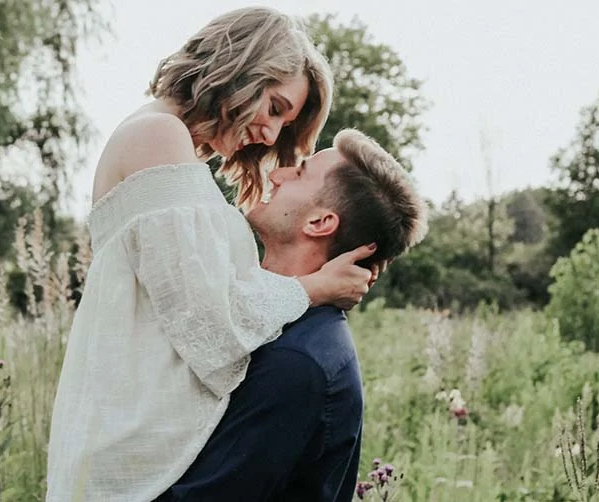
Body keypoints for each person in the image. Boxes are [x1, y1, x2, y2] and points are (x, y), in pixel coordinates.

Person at [46, 8, 387, 501]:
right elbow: (210, 332)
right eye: (274, 107)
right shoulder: (157, 137)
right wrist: (314, 288)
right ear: (241, 67)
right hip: (139, 452)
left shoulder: (169, 141)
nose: (271, 137)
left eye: (282, 122)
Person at [157, 128, 428, 501]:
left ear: (319, 223)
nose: (276, 173)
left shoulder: (297, 362)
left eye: (299, 172)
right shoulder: (269, 321)